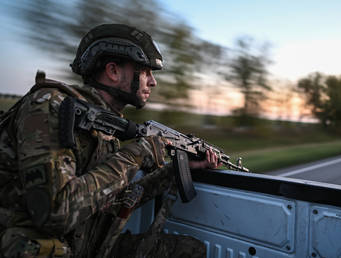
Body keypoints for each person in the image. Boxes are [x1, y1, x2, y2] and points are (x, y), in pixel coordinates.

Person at [0, 24, 218, 257]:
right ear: (113, 71)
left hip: (87, 244)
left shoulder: (104, 126)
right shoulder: (49, 107)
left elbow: (111, 201)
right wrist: (135, 154)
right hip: (39, 247)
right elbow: (55, 213)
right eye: (145, 72)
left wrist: (174, 171)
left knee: (189, 250)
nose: (153, 82)